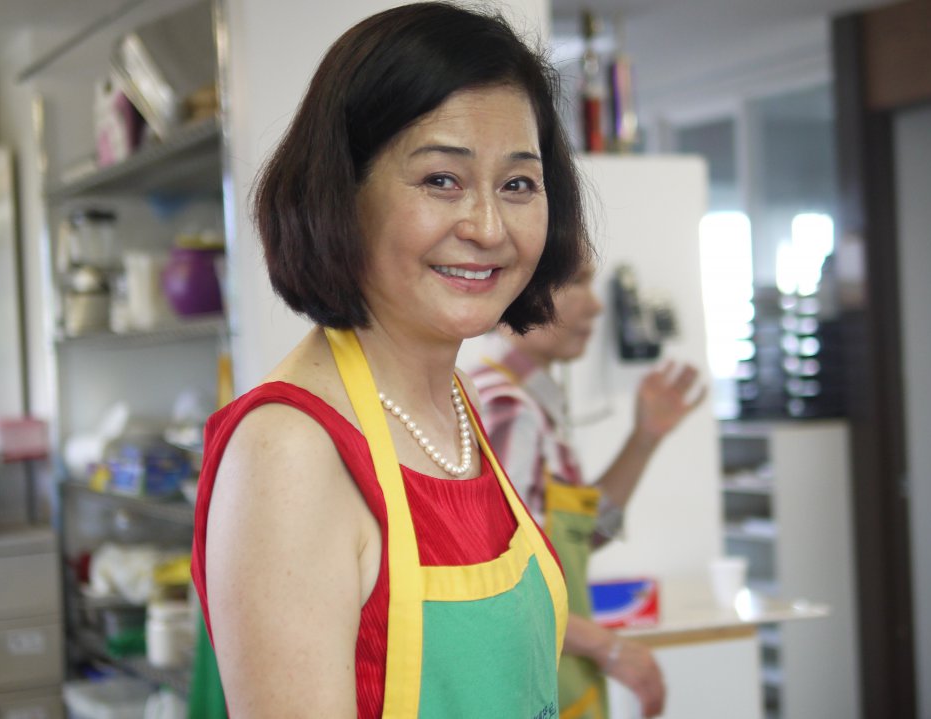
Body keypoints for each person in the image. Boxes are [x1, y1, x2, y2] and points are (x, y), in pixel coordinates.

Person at [189, 3, 592, 716]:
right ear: (341, 192)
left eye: (518, 184)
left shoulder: (457, 405)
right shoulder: (289, 451)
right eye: (441, 179)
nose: (487, 226)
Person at [471, 262, 708, 719]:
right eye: (574, 281)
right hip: (531, 687)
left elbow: (583, 537)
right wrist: (609, 648)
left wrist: (645, 439)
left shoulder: (530, 403)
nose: (596, 306)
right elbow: (504, 587)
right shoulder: (507, 408)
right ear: (516, 290)